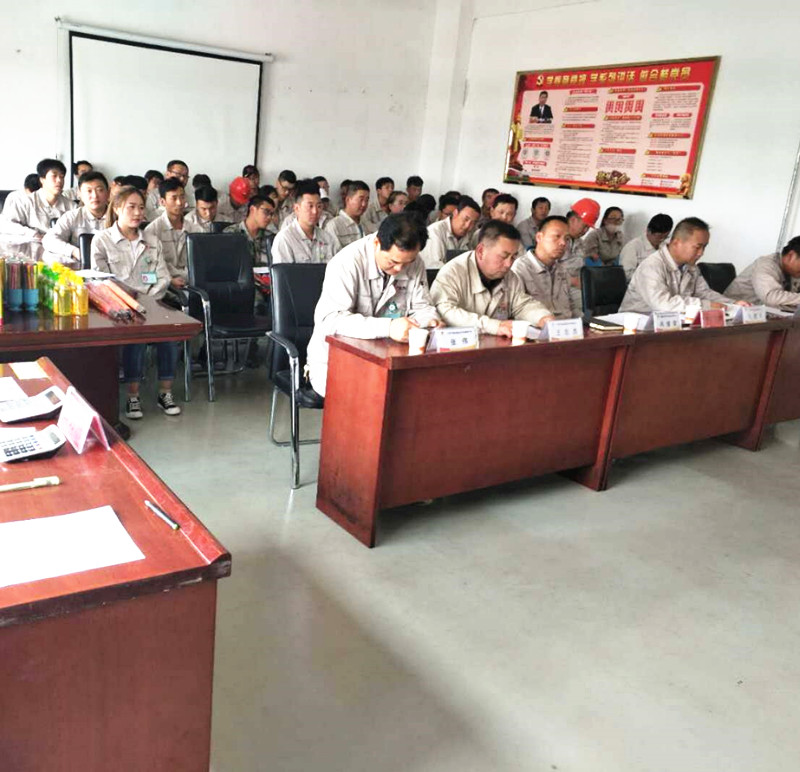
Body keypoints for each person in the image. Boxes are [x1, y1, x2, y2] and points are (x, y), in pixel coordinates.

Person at [307, 213, 441, 397]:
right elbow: (331, 320)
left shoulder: (414, 263)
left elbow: (423, 307)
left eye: (407, 263)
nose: (399, 269)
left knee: (421, 393)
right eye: (393, 262)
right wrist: (389, 327)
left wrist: (430, 321)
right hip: (337, 360)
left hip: (388, 357)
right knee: (368, 398)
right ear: (377, 243)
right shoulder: (346, 263)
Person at [90, 186, 180, 419]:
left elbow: (163, 277)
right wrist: (130, 303)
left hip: (152, 303)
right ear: (117, 209)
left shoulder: (152, 240)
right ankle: (133, 396)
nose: (138, 212)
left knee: (170, 334)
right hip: (118, 307)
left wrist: (148, 301)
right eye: (131, 207)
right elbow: (102, 280)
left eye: (141, 207)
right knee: (136, 336)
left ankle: (165, 393)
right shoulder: (102, 240)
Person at [430, 220, 554, 335]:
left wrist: (542, 317)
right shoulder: (452, 272)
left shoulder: (510, 277)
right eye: (503, 256)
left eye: (513, 257)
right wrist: (493, 326)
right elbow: (445, 310)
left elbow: (522, 305)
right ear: (481, 251)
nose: (509, 264)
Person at [620, 217, 749, 313]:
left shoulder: (691, 267)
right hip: (636, 327)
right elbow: (664, 304)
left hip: (671, 325)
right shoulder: (652, 266)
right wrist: (706, 306)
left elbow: (704, 293)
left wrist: (733, 304)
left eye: (704, 247)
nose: (701, 253)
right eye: (697, 247)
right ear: (677, 243)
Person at [0, 158, 77, 256]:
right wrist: (33, 234)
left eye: (62, 177)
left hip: (61, 254)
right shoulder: (25, 202)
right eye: (54, 176)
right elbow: (6, 225)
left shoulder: (72, 206)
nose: (59, 180)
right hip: (29, 254)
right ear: (42, 180)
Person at [511, 215, 575, 318]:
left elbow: (572, 308)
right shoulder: (520, 269)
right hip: (539, 325)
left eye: (567, 239)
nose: (563, 243)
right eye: (557, 236)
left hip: (566, 325)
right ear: (539, 237)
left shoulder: (562, 271)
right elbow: (517, 311)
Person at [144, 177, 203, 288]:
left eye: (182, 197)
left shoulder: (196, 230)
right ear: (162, 202)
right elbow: (149, 267)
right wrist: (169, 280)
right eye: (174, 198)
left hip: (193, 282)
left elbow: (201, 261)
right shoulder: (152, 231)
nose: (179, 203)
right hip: (166, 285)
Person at [42, 171, 110, 266]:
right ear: (79, 194)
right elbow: (49, 240)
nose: (94, 196)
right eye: (89, 191)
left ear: (108, 192)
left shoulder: (119, 217)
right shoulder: (72, 216)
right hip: (79, 267)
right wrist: (74, 251)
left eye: (100, 190)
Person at [271, 179, 337, 264]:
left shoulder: (327, 238)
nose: (315, 211)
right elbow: (284, 272)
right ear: (297, 208)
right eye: (310, 206)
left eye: (319, 206)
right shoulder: (285, 239)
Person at [725, 236, 800, 308]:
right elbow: (771, 297)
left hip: (767, 312)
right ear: (791, 256)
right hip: (736, 311)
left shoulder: (793, 271)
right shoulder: (765, 265)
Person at [418, 196, 481, 268]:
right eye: (466, 219)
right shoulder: (435, 232)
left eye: (473, 223)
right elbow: (435, 266)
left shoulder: (470, 235)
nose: (468, 226)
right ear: (455, 213)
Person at [223, 194, 274, 266]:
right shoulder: (231, 233)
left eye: (271, 214)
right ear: (252, 209)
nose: (269, 217)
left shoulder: (270, 237)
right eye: (266, 212)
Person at [620, 214, 674, 280]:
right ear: (648, 231)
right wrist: (650, 277)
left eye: (665, 237)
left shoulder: (665, 246)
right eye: (659, 237)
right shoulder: (633, 247)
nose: (662, 240)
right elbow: (626, 274)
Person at [324, 180, 370, 250]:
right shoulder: (334, 226)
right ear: (348, 200)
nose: (364, 204)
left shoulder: (367, 224)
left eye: (366, 200)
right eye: (361, 199)